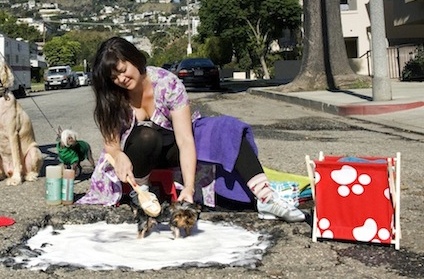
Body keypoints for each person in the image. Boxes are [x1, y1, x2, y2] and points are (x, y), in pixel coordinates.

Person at [78, 37, 304, 222]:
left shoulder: (168, 83)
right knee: (146, 135)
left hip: (172, 147)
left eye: (122, 69)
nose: (121, 79)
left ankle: (265, 197)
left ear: (134, 59)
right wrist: (118, 156)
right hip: (139, 157)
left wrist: (189, 187)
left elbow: (185, 139)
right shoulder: (113, 96)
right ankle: (144, 193)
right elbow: (111, 144)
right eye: (114, 77)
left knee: (225, 127)